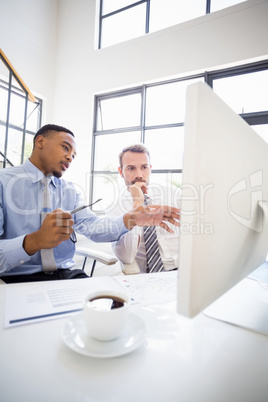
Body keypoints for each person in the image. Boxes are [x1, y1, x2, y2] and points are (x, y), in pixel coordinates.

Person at [0, 125, 180, 283]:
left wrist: (132, 218)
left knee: (110, 309)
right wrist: (34, 241)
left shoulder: (71, 190)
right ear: (40, 142)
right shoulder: (3, 182)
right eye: (65, 147)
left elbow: (92, 227)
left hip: (66, 275)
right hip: (16, 278)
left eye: (73, 155)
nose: (70, 157)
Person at [112, 144, 180, 274]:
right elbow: (126, 257)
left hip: (182, 270)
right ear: (121, 172)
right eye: (131, 168)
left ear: (150, 169)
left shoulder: (172, 193)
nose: (139, 175)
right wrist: (137, 204)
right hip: (146, 277)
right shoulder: (116, 207)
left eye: (144, 167)